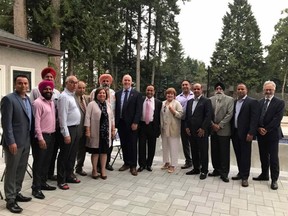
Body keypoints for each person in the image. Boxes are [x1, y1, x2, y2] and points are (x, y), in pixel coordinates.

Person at [1, 75, 33, 213]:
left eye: (25, 83)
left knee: (21, 168)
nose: (23, 85)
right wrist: (11, 141)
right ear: (15, 84)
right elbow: (6, 123)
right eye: (20, 83)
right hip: (14, 142)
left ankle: (17, 192)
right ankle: (10, 199)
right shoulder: (8, 99)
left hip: (26, 141)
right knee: (12, 170)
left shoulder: (28, 99)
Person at [29, 67, 61, 181]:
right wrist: (39, 136)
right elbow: (34, 116)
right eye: (47, 76)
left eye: (51, 77)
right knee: (40, 159)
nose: (49, 78)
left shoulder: (55, 95)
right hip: (41, 132)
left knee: (49, 157)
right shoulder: (36, 94)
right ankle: (37, 184)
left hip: (52, 131)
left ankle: (45, 179)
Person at [254, 81, 284, 190]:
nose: (268, 91)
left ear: (274, 90)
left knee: (273, 158)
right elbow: (256, 117)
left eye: (270, 89)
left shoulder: (280, 103)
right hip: (261, 134)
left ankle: (274, 179)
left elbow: (277, 119)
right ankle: (264, 175)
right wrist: (258, 128)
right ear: (263, 90)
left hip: (272, 135)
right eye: (266, 89)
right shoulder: (259, 102)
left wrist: (266, 129)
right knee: (263, 156)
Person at [31, 80, 57, 200]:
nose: (48, 91)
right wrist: (40, 138)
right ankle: (36, 188)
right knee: (39, 163)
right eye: (46, 89)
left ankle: (43, 183)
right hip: (41, 137)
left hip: (51, 135)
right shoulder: (37, 103)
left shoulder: (51, 102)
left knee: (47, 161)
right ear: (41, 90)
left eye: (50, 89)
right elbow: (36, 123)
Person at [231, 83, 259, 187]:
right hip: (235, 133)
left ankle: (245, 177)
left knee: (245, 156)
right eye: (238, 89)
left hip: (246, 134)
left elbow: (254, 119)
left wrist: (251, 133)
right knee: (238, 154)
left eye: (242, 89)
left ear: (246, 90)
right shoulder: (234, 102)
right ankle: (240, 172)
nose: (240, 91)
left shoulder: (252, 102)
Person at [85, 88, 115, 179]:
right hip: (95, 132)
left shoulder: (108, 105)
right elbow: (87, 118)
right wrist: (88, 131)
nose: (102, 95)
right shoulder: (91, 105)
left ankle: (102, 170)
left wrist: (113, 130)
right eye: (100, 93)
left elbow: (112, 119)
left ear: (106, 95)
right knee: (95, 152)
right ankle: (94, 170)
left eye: (103, 93)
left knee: (104, 152)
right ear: (96, 95)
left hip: (106, 134)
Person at [57, 75, 81, 190]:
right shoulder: (64, 97)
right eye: (72, 82)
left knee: (72, 154)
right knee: (64, 155)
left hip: (76, 128)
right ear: (66, 83)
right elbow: (62, 117)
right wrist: (65, 133)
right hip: (68, 129)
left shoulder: (73, 96)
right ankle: (61, 180)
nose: (74, 84)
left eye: (76, 82)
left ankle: (69, 175)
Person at [115, 74, 142, 176]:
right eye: (125, 80)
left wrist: (135, 122)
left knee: (132, 144)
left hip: (132, 124)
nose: (126, 82)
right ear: (122, 81)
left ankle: (133, 165)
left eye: (128, 80)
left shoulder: (137, 94)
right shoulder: (118, 94)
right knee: (124, 144)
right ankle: (126, 163)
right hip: (121, 123)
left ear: (131, 82)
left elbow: (139, 110)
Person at [185, 83, 212, 180]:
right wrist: (187, 127)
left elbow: (208, 116)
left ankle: (204, 170)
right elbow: (188, 116)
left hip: (201, 131)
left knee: (203, 151)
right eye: (194, 89)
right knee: (194, 150)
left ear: (202, 90)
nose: (196, 90)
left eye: (198, 89)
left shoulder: (206, 101)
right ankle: (196, 168)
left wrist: (203, 128)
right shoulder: (190, 102)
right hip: (191, 131)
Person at [209, 82, 234, 183]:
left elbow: (229, 114)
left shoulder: (230, 100)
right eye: (217, 88)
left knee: (224, 153)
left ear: (223, 90)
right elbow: (207, 114)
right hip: (213, 130)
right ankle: (216, 170)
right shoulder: (210, 100)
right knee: (214, 152)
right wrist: (212, 124)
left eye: (220, 89)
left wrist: (219, 125)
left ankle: (224, 173)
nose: (218, 90)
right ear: (215, 90)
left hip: (224, 130)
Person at [90, 73, 116, 171]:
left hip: (109, 122)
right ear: (100, 82)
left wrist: (114, 125)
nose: (105, 83)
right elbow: (91, 106)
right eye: (103, 81)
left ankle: (106, 163)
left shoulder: (113, 93)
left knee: (108, 144)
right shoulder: (94, 92)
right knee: (97, 144)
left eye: (107, 81)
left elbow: (115, 108)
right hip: (97, 122)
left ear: (110, 82)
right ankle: (96, 166)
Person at [137, 85, 162, 172]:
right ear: (146, 91)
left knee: (152, 146)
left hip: (152, 126)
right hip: (142, 126)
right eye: (148, 90)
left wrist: (158, 129)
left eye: (151, 90)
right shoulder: (141, 100)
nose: (149, 92)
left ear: (154, 92)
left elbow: (159, 117)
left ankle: (149, 164)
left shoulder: (158, 102)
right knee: (141, 146)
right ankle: (141, 165)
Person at [160, 87, 183, 173]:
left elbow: (181, 115)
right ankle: (166, 162)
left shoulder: (177, 103)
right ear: (166, 95)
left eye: (171, 94)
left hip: (173, 128)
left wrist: (174, 111)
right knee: (165, 147)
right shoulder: (163, 103)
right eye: (168, 93)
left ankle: (173, 165)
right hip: (164, 128)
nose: (170, 95)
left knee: (173, 147)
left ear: (174, 95)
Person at [176, 80, 194, 169]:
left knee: (194, 142)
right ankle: (188, 161)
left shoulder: (194, 96)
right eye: (183, 85)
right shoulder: (178, 98)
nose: (185, 86)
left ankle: (197, 161)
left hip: (193, 123)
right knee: (185, 143)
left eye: (186, 84)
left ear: (190, 86)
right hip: (182, 122)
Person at [74, 81, 89, 176]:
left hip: (84, 128)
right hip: (75, 128)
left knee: (82, 149)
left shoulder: (85, 98)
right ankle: (69, 170)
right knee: (73, 150)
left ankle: (79, 167)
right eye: (80, 87)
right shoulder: (72, 98)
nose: (82, 90)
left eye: (83, 88)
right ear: (76, 87)